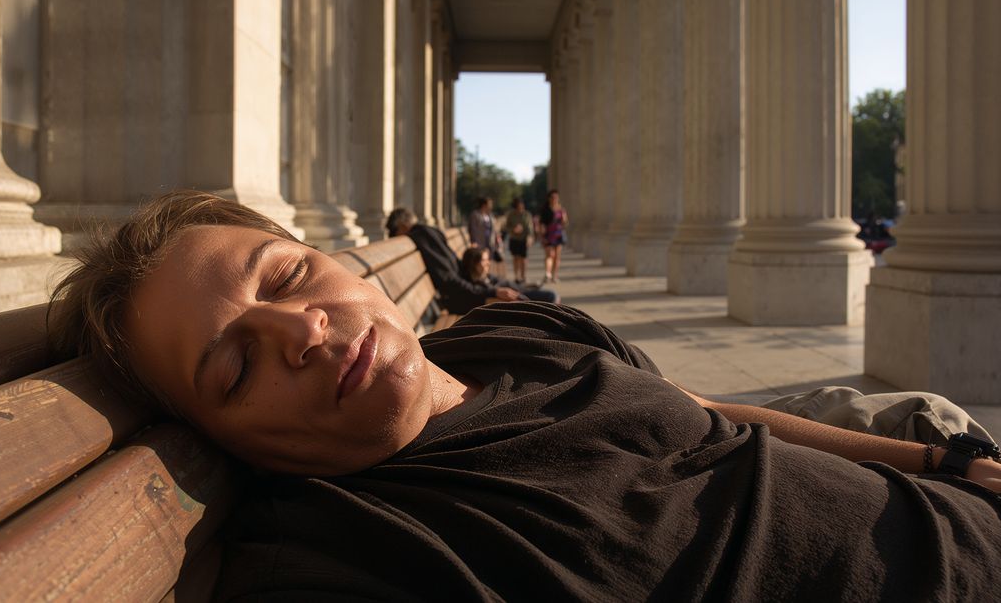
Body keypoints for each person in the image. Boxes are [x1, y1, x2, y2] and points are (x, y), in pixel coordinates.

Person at [49, 191, 1001, 601]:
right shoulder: (339, 557)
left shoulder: (516, 338)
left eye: (290, 278)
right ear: (230, 441)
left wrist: (943, 460)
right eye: (235, 368)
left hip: (950, 492)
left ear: (344, 265)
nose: (299, 334)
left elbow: (712, 420)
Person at [386, 207, 521, 314]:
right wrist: (490, 291)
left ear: (402, 225)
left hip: (460, 293)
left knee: (513, 295)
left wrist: (490, 289)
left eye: (394, 231)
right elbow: (449, 279)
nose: (393, 237)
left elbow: (449, 278)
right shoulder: (426, 232)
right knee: (513, 299)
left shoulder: (421, 236)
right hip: (458, 297)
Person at [460, 246, 559, 305]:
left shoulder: (486, 276)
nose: (488, 263)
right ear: (474, 263)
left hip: (520, 291)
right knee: (551, 296)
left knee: (552, 295)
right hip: (517, 298)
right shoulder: (475, 285)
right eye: (484, 260)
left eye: (488, 259)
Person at [536, 189, 568, 284]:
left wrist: (564, 218)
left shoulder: (561, 209)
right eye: (553, 197)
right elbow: (541, 224)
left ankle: (554, 275)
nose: (555, 199)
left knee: (557, 257)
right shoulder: (545, 210)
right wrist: (542, 236)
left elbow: (565, 223)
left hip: (558, 234)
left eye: (556, 197)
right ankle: (547, 273)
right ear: (549, 199)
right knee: (549, 255)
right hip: (548, 234)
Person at [503, 197, 534, 284]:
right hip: (514, 239)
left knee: (524, 259)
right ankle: (517, 277)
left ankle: (523, 276)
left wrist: (530, 237)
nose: (521, 207)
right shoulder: (511, 215)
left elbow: (530, 227)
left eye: (522, 205)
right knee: (516, 258)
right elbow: (506, 227)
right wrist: (513, 229)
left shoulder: (527, 214)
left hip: (524, 239)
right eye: (519, 206)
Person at [467, 197, 502, 264]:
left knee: (489, 260)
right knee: (481, 260)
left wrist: (497, 240)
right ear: (484, 205)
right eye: (490, 204)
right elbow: (472, 229)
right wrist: (473, 241)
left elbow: (494, 230)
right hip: (480, 243)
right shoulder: (475, 215)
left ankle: (487, 273)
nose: (491, 206)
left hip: (490, 243)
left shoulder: (490, 215)